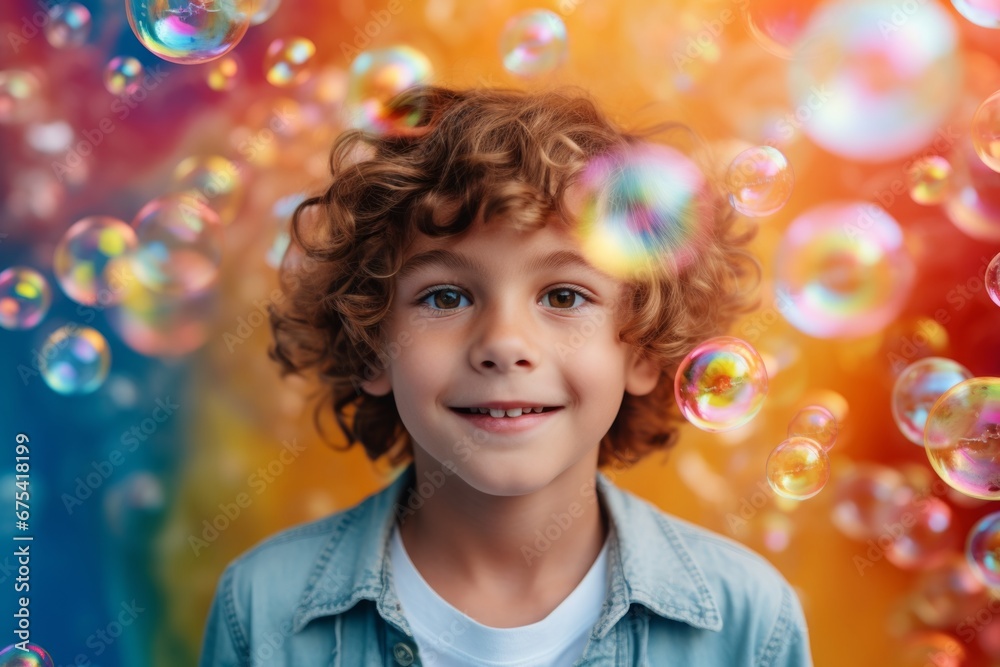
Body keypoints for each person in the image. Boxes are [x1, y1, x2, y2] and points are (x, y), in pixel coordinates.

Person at [199, 84, 813, 666]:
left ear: (644, 351)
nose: (503, 345)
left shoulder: (747, 621)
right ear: (370, 348)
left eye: (566, 297)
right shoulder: (262, 609)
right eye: (444, 298)